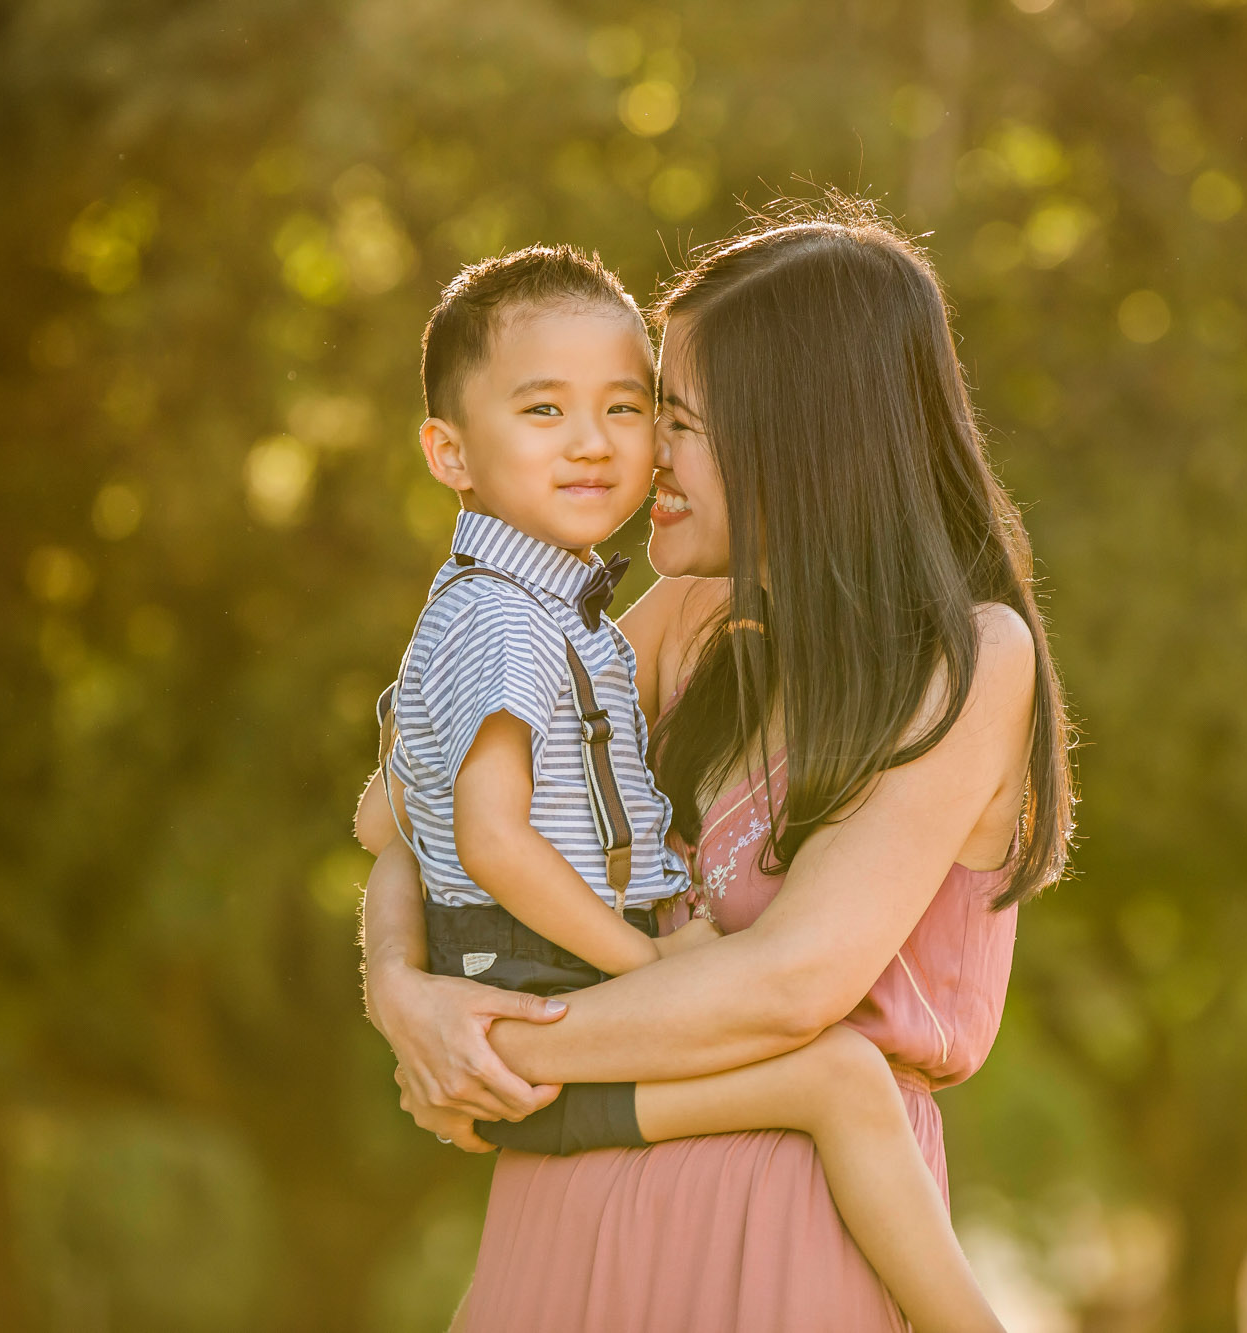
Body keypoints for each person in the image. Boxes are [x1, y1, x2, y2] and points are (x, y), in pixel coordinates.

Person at [354, 241, 1011, 1331]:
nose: (637, 453)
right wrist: (402, 994)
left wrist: (496, 1047)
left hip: (777, 1243)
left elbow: (788, 984)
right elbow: (401, 814)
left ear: (799, 435)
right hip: (556, 1228)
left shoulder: (964, 659)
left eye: (672, 420)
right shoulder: (669, 627)